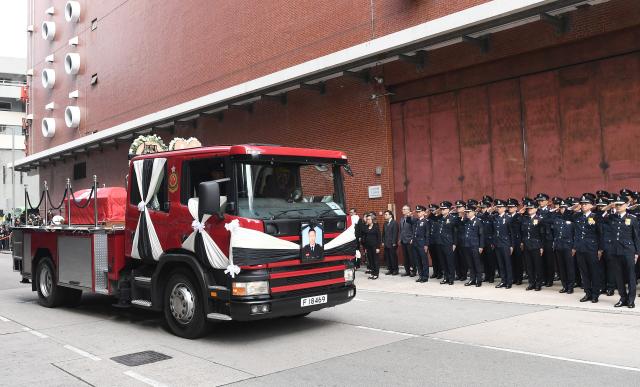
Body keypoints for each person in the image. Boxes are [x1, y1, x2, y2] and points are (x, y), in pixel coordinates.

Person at [606, 195, 640, 308]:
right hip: (615, 251)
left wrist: (637, 253)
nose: (618, 206)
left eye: (621, 204)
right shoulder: (612, 217)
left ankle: (631, 300)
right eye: (617, 205)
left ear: (626, 205)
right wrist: (609, 206)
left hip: (628, 251)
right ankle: (622, 298)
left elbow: (636, 237)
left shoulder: (632, 218)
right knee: (618, 276)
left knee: (631, 276)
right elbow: (599, 218)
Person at [573, 195, 603, 303]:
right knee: (584, 272)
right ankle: (588, 293)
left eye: (586, 204)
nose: (583, 206)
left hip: (592, 248)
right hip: (580, 248)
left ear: (591, 205)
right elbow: (566, 216)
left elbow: (600, 234)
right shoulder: (578, 217)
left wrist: (600, 249)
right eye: (582, 204)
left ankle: (595, 294)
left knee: (594, 272)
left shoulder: (596, 216)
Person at [550, 198, 575, 294]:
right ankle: (564, 285)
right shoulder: (556, 217)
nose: (562, 209)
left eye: (564, 208)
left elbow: (575, 233)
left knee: (569, 267)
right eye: (561, 208)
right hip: (558, 245)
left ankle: (570, 286)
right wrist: (553, 211)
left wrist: (574, 247)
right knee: (561, 267)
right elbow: (544, 220)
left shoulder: (572, 217)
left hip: (568, 245)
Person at [521, 199, 544, 291]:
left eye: (531, 208)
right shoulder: (525, 219)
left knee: (537, 265)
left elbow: (542, 234)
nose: (529, 209)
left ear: (536, 209)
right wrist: (520, 213)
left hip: (536, 245)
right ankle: (531, 282)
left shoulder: (539, 219)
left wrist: (541, 246)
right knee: (529, 265)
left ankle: (538, 283)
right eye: (528, 208)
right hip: (527, 245)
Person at [535, 193, 556, 287]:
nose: (540, 202)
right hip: (538, 237)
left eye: (542, 200)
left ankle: (549, 280)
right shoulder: (536, 211)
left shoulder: (551, 212)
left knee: (549, 260)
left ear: (547, 201)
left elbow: (552, 222)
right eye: (539, 200)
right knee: (540, 260)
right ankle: (542, 278)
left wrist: (541, 219)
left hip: (548, 238)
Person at [492, 199, 513, 289]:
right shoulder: (495, 217)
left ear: (504, 208)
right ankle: (503, 281)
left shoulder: (508, 218)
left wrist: (511, 245)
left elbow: (511, 232)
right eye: (498, 207)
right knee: (500, 264)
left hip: (505, 244)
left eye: (500, 207)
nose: (498, 208)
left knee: (507, 263)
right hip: (497, 243)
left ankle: (509, 281)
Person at [462, 202, 484, 287]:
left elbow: (481, 235)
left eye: (468, 212)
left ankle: (479, 280)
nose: (467, 213)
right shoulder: (466, 221)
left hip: (475, 245)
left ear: (474, 212)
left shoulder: (478, 221)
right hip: (467, 245)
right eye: (466, 212)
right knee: (470, 264)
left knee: (477, 263)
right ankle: (472, 279)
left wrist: (481, 246)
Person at [436, 201, 459, 285]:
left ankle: (451, 278)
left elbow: (455, 232)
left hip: (448, 243)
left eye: (443, 209)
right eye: (441, 209)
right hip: (440, 243)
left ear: (448, 209)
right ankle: (446, 277)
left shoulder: (453, 218)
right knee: (443, 262)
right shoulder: (440, 218)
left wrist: (454, 244)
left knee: (450, 262)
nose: (442, 210)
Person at [411, 205, 430, 283]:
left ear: (423, 212)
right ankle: (420, 275)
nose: (418, 213)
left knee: (424, 260)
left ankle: (425, 276)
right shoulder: (417, 221)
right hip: (416, 243)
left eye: (420, 212)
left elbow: (427, 234)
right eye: (417, 212)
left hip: (422, 243)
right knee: (417, 260)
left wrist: (426, 244)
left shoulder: (426, 221)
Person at [507, 198, 524, 285]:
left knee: (518, 261)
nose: (509, 208)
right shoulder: (507, 216)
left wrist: (521, 241)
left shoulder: (519, 217)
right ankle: (513, 277)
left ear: (516, 207)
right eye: (509, 207)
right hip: (509, 241)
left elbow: (522, 230)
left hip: (517, 241)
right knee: (511, 260)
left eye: (511, 207)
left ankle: (519, 278)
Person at [362, 213, 381, 280]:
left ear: (372, 220)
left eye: (369, 219)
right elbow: (364, 234)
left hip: (374, 247)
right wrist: (365, 248)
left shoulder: (376, 227)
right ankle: (372, 273)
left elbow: (379, 238)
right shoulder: (366, 227)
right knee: (371, 260)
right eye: (367, 219)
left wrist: (378, 247)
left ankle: (376, 274)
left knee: (375, 260)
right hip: (368, 247)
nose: (368, 220)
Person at [399, 205, 416, 277]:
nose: (403, 210)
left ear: (409, 210)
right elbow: (401, 230)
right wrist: (400, 238)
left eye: (405, 209)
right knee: (405, 257)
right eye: (402, 209)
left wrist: (412, 238)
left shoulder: (412, 219)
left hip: (410, 240)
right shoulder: (402, 219)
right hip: (403, 240)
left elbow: (414, 230)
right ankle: (407, 271)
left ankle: (413, 271)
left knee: (411, 257)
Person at [454, 200, 468, 281]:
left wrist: (463, 217)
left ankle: (464, 275)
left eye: (460, 207)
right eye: (457, 207)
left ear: (464, 208)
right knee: (456, 259)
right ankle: (458, 274)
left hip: (464, 241)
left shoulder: (467, 217)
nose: (458, 209)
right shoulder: (455, 217)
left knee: (463, 259)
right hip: (456, 241)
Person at [382, 210, 399, 275]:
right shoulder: (385, 223)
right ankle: (390, 269)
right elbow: (383, 234)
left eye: (386, 214)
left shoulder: (394, 223)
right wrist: (383, 241)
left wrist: (394, 242)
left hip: (392, 243)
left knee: (393, 257)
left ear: (390, 215)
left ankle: (395, 270)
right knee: (388, 257)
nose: (385, 215)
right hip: (386, 243)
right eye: (385, 214)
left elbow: (395, 233)